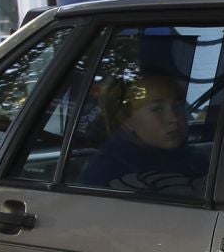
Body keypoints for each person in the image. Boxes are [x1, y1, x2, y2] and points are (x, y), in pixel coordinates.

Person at [77, 72, 208, 196]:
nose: (173, 118)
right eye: (157, 109)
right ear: (126, 119)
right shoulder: (105, 173)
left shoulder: (195, 159)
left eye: (177, 106)